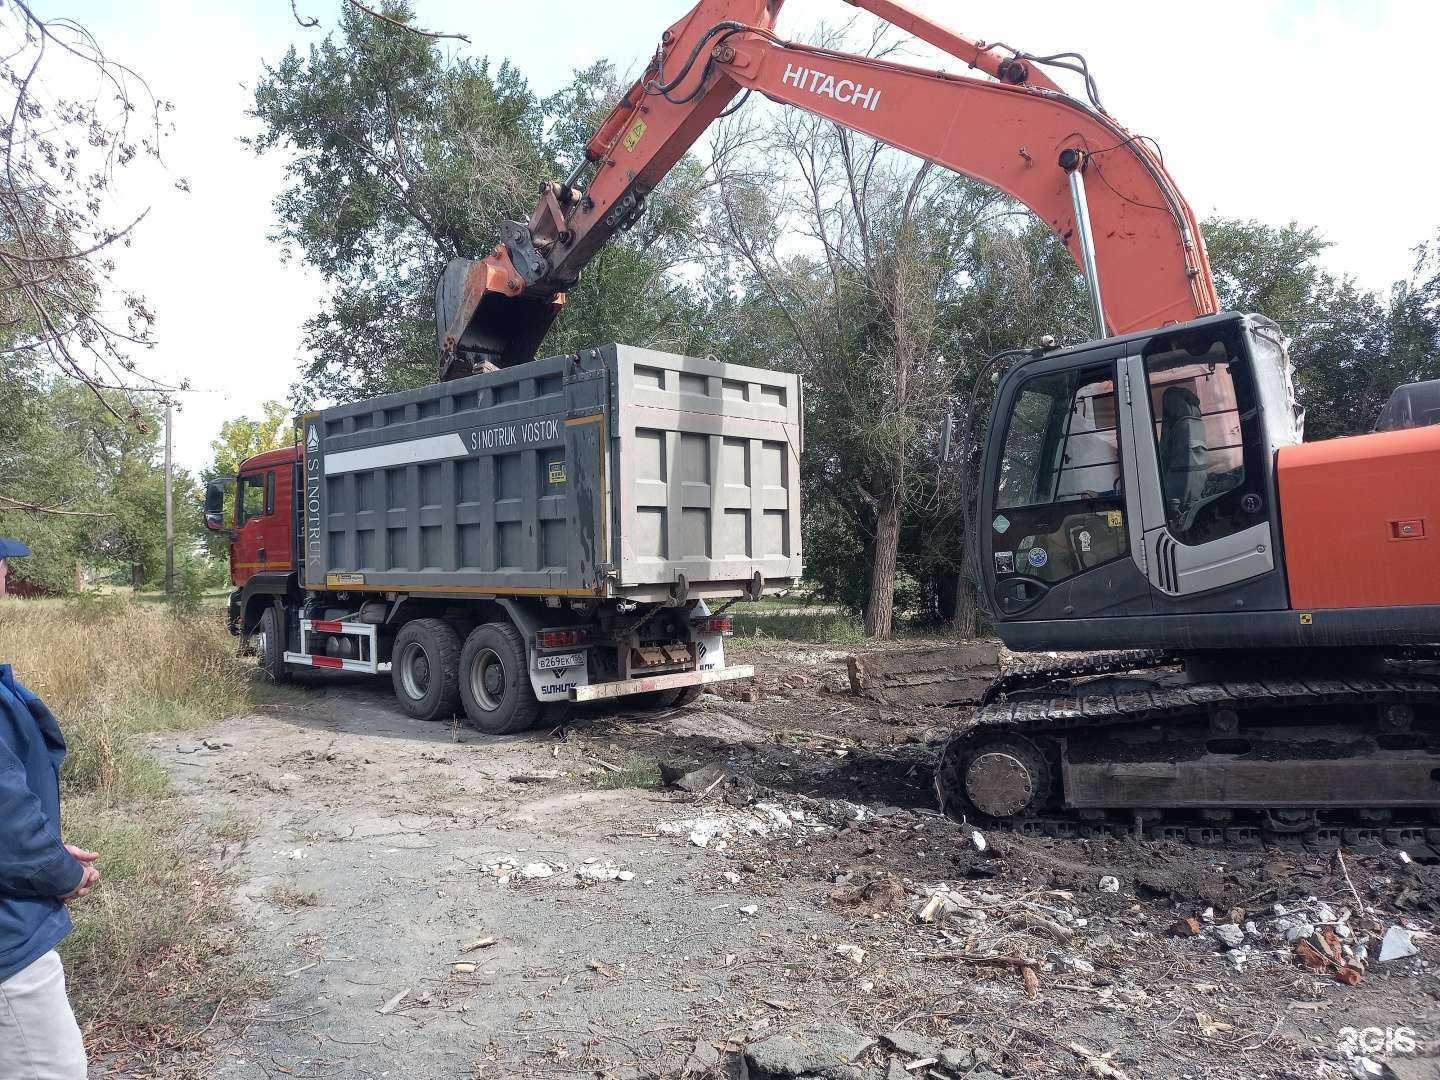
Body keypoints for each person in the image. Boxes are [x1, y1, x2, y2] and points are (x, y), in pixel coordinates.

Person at [0, 536, 98, 1079]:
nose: (7, 580)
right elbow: (6, 819)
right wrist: (59, 871)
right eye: (1, 566)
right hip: (9, 939)